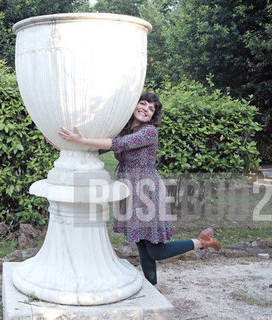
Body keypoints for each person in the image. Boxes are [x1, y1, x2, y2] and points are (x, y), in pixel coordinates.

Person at [58, 92, 221, 293]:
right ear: (134, 105)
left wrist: (83, 140)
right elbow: (98, 149)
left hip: (148, 191)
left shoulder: (149, 132)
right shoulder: (124, 130)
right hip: (129, 190)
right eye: (143, 103)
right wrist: (66, 143)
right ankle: (154, 286)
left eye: (151, 108)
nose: (146, 109)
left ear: (153, 116)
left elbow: (119, 145)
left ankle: (201, 242)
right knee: (142, 242)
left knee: (155, 249)